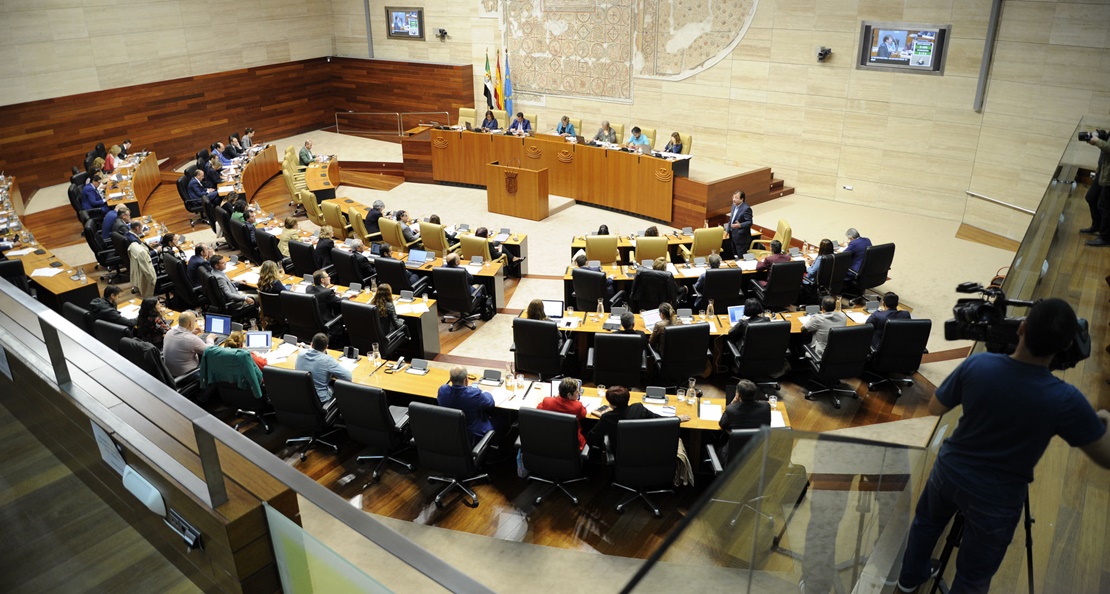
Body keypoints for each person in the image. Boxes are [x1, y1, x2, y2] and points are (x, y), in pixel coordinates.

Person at [896, 298, 1110, 594]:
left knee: (927, 524)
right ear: (1064, 349)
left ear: (1021, 328)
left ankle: (908, 581)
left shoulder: (979, 364)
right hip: (996, 498)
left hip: (949, 473)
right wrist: (1101, 421)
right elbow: (1106, 456)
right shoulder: (1066, 400)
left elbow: (935, 407)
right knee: (973, 575)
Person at [587, 386, 689, 453]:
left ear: (611, 404)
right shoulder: (638, 408)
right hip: (644, 450)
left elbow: (592, 437)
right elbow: (658, 419)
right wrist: (677, 418)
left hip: (621, 453)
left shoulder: (607, 417)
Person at [437, 365, 496, 445]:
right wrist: (485, 392)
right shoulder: (474, 394)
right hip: (472, 438)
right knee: (499, 418)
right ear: (466, 379)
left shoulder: (442, 391)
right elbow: (490, 404)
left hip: (450, 435)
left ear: (450, 379)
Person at [295, 333, 351, 403]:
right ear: (326, 347)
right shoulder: (327, 360)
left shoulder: (301, 353)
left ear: (311, 344)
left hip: (302, 396)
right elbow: (348, 377)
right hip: (321, 401)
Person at [537, 378, 588, 450]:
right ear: (569, 395)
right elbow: (583, 414)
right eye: (577, 392)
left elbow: (539, 408)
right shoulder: (577, 406)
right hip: (571, 441)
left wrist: (556, 398)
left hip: (548, 438)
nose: (579, 393)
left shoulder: (547, 401)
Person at [163, 311, 210, 377]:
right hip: (187, 375)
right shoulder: (191, 339)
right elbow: (210, 351)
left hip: (169, 373)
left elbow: (182, 338)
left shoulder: (169, 332)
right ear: (190, 324)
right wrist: (210, 339)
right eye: (195, 321)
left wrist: (192, 332)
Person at [1083, 132, 1110, 246]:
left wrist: (1097, 142)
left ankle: (1105, 237)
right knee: (1091, 197)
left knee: (1105, 206)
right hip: (1103, 171)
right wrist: (1099, 134)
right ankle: (1097, 226)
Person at [728, 190, 753, 257]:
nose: (734, 199)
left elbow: (749, 222)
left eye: (736, 198)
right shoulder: (733, 205)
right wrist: (728, 230)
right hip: (733, 235)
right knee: (734, 255)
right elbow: (731, 218)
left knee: (741, 257)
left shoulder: (746, 209)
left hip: (741, 238)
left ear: (742, 199)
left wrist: (740, 225)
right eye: (733, 197)